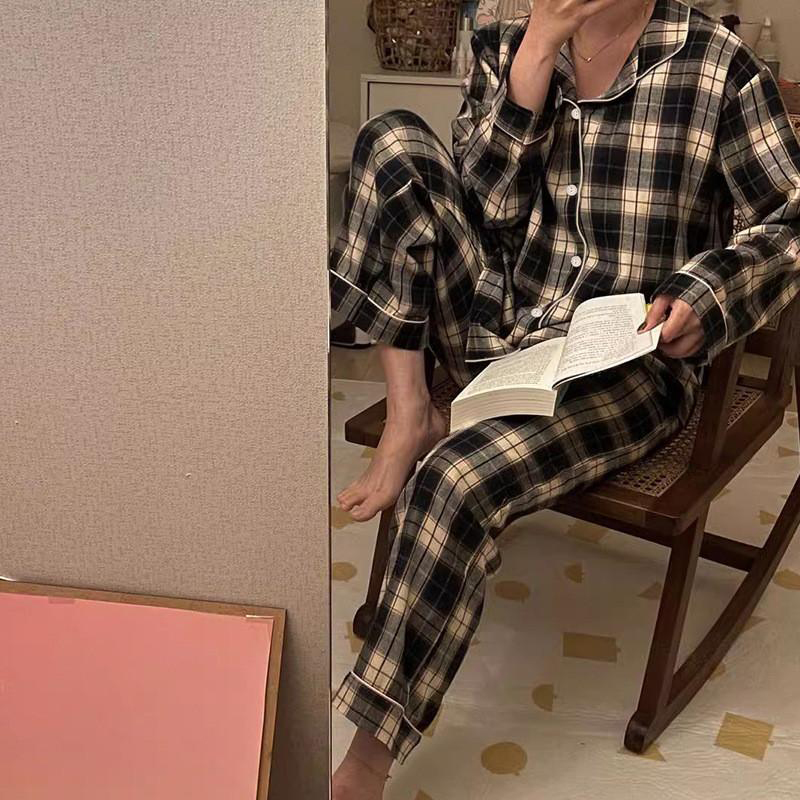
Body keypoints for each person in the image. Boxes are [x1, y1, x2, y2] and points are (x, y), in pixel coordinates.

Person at [329, 0, 800, 796]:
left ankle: (365, 763)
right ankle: (412, 412)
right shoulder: (507, 43)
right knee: (392, 141)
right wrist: (536, 54)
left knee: (455, 481)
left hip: (624, 365)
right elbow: (486, 212)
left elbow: (790, 220)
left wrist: (708, 295)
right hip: (497, 321)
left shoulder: (717, 66)